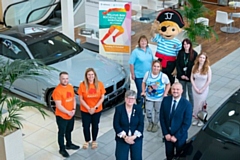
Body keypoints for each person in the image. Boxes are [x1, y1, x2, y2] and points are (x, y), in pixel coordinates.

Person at [151, 9, 185, 85]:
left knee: (170, 80)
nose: (167, 32)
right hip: (160, 61)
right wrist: (153, 29)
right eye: (164, 29)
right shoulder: (160, 37)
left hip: (171, 63)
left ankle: (169, 94)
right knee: (158, 79)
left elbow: (179, 56)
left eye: (172, 29)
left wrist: (176, 68)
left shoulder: (178, 43)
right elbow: (153, 35)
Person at [160, 82, 192, 160]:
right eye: (173, 89)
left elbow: (187, 123)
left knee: (180, 157)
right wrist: (166, 133)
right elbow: (162, 118)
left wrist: (176, 136)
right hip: (168, 136)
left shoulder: (187, 105)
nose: (175, 91)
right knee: (169, 155)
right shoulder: (165, 100)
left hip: (180, 137)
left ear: (182, 91)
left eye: (178, 89)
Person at [52, 71, 80, 158]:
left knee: (69, 130)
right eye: (63, 79)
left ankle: (69, 144)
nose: (65, 80)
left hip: (71, 114)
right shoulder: (57, 91)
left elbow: (73, 99)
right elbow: (58, 105)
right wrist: (68, 112)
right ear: (60, 79)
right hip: (62, 116)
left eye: (67, 78)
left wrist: (74, 109)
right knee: (61, 132)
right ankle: (62, 149)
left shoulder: (70, 87)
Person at [77, 68, 106, 149]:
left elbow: (102, 97)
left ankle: (94, 140)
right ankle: (87, 140)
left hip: (97, 110)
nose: (90, 76)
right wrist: (88, 108)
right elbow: (81, 98)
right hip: (85, 110)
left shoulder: (100, 84)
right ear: (86, 76)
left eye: (92, 74)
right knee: (85, 126)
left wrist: (95, 107)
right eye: (89, 74)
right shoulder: (82, 85)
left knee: (95, 125)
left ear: (95, 75)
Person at [113, 90, 144, 160]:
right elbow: (116, 124)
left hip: (135, 138)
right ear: (125, 98)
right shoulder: (119, 109)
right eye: (128, 98)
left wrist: (133, 137)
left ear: (135, 99)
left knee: (137, 158)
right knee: (121, 157)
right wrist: (125, 137)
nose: (130, 100)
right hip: (122, 138)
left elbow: (141, 124)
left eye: (132, 98)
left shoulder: (138, 109)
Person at [141, 60, 170, 133]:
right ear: (152, 66)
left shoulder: (163, 76)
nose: (156, 68)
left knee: (157, 111)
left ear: (160, 68)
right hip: (148, 97)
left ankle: (156, 124)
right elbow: (143, 82)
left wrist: (165, 93)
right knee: (148, 110)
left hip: (159, 98)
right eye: (154, 66)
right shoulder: (147, 74)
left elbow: (168, 84)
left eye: (158, 67)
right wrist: (143, 91)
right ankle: (150, 123)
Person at [129, 35, 154, 104]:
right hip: (139, 76)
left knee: (149, 91)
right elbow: (131, 63)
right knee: (141, 91)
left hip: (149, 75)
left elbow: (152, 61)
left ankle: (147, 105)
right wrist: (133, 74)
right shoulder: (135, 52)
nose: (143, 42)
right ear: (139, 42)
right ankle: (139, 106)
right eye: (142, 41)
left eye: (145, 41)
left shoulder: (149, 50)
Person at [191, 52, 212, 127]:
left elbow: (209, 80)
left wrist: (202, 89)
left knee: (201, 104)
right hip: (195, 88)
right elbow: (192, 78)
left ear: (205, 59)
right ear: (198, 58)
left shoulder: (208, 68)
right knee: (196, 104)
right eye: (200, 57)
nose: (201, 59)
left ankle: (201, 119)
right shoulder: (194, 67)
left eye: (203, 58)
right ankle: (196, 118)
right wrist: (195, 88)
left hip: (204, 89)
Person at [176, 38, 198, 106]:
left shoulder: (194, 54)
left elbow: (195, 66)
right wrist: (181, 75)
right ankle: (183, 106)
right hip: (182, 76)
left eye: (187, 44)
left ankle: (191, 107)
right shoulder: (180, 53)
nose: (186, 45)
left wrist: (189, 76)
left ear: (190, 45)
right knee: (182, 93)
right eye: (184, 44)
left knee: (190, 93)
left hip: (190, 78)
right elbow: (177, 64)